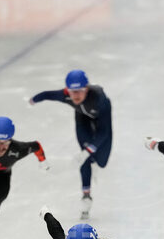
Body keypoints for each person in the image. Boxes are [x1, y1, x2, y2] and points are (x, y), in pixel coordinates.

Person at [30, 70, 111, 219]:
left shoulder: (98, 98)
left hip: (102, 120)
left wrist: (88, 152)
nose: (76, 95)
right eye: (73, 92)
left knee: (102, 160)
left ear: (86, 88)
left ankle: (92, 158)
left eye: (80, 91)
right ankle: (86, 196)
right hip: (82, 119)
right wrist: (34, 99)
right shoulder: (65, 95)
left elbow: (104, 132)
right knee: (84, 157)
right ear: (67, 90)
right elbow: (48, 95)